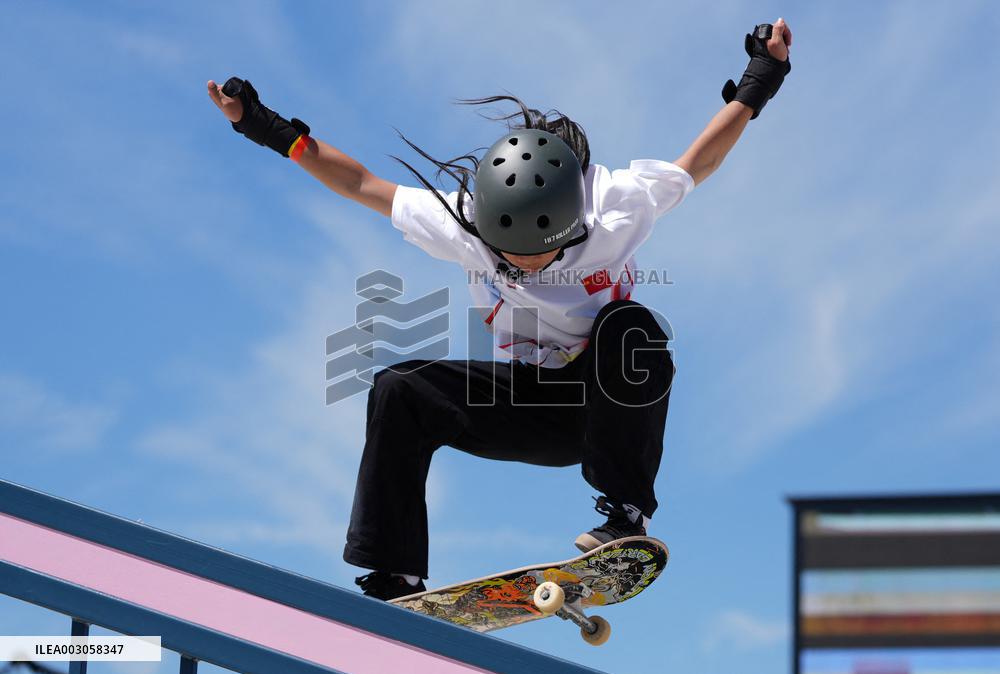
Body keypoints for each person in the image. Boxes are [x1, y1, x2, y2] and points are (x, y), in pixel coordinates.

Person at [208, 19, 792, 601]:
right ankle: (393, 576)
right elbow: (361, 184)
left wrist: (762, 76)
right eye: (507, 254)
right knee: (398, 390)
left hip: (606, 403)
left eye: (536, 254)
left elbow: (700, 161)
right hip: (531, 406)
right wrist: (264, 126)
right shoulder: (462, 220)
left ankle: (625, 517)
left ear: (571, 225)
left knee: (630, 327)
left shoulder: (616, 206)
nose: (522, 265)